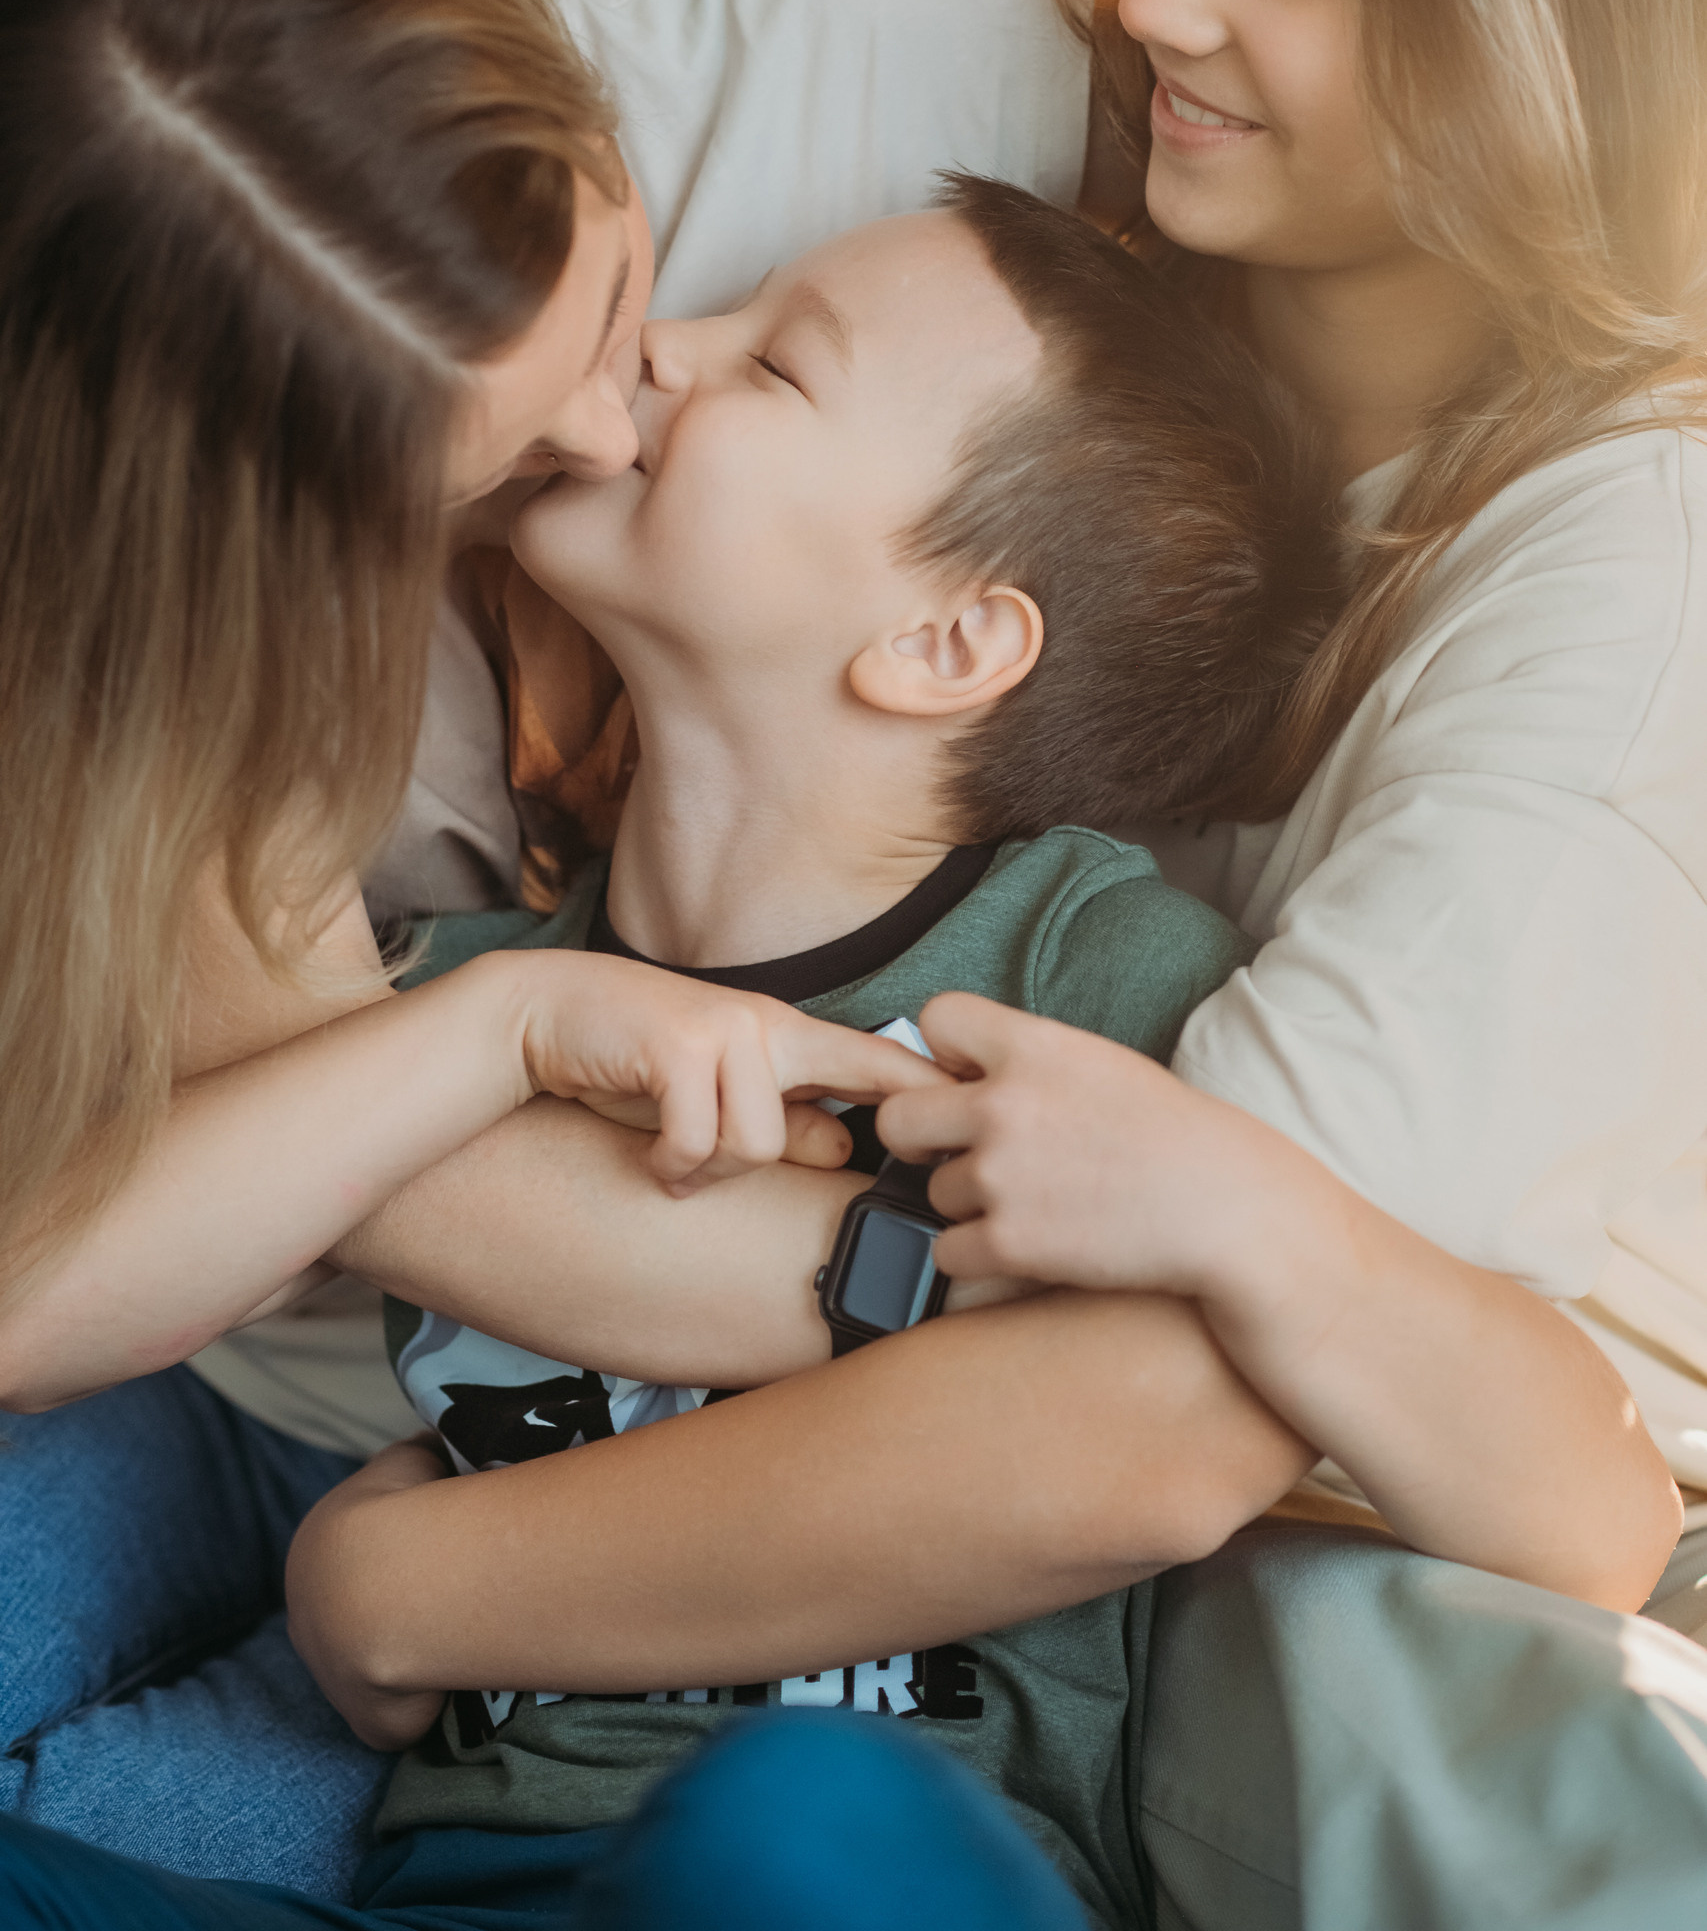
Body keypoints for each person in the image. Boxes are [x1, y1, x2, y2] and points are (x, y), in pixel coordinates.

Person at [301, 0, 1707, 1928]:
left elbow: (1162, 1385)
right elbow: (226, 179)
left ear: (1574, 25)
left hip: (1227, 1637)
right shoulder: (914, 57)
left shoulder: (1622, 570)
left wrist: (409, 1589)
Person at [0, 187, 1678, 1928]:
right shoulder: (483, 993)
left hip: (879, 1860)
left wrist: (1256, 1215)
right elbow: (57, 1273)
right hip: (470, 1881)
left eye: (775, 364)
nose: (659, 348)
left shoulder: (1088, 977)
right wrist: (480, 1049)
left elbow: (1592, 1516)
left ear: (946, 641)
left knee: (785, 1817)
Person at [0, 0, 922, 1895]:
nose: (617, 424)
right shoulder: (135, 613)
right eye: (502, 457)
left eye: (609, 304)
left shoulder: (839, 88)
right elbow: (48, 1274)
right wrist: (510, 1013)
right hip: (247, 1384)